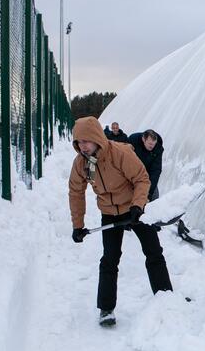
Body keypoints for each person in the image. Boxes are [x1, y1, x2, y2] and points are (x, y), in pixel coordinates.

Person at [68, 117, 173, 327]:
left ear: (97, 138)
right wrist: (77, 225)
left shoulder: (120, 154)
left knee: (153, 252)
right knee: (109, 259)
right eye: (79, 142)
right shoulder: (81, 163)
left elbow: (142, 178)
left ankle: (167, 301)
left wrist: (138, 205)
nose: (83, 146)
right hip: (109, 212)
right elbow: (76, 192)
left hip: (134, 208)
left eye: (86, 141)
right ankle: (106, 308)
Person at [128, 129, 163, 201]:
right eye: (150, 144)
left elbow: (156, 170)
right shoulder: (133, 140)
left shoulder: (158, 148)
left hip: (147, 175)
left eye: (154, 144)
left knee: (154, 197)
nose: (152, 147)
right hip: (131, 174)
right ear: (143, 139)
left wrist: (149, 193)